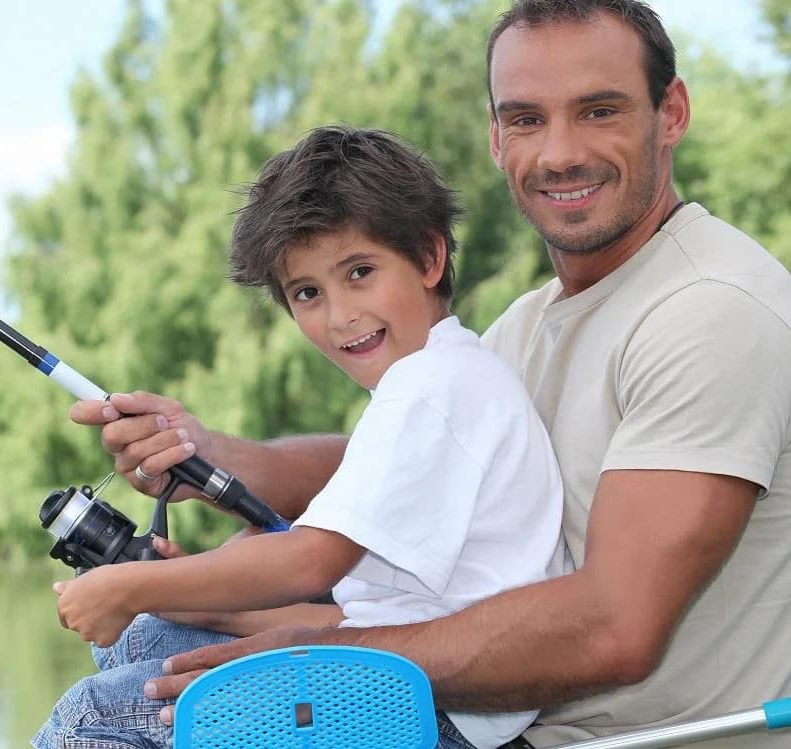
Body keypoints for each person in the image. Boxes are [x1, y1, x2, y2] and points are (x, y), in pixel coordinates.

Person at [64, 1, 791, 747]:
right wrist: (203, 454)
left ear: (671, 112)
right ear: (496, 136)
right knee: (139, 640)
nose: (560, 151)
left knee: (95, 718)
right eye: (527, 119)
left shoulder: (710, 311)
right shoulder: (527, 323)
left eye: (599, 110)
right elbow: (398, 468)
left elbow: (615, 627)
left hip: (556, 733)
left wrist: (312, 653)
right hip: (497, 717)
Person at [35, 125, 570, 749]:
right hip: (401, 677)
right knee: (147, 636)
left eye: (360, 272)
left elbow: (307, 561)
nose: (340, 315)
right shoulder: (439, 378)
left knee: (91, 717)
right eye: (308, 293)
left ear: (428, 259)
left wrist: (129, 583)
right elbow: (362, 618)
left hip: (440, 715)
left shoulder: (433, 389)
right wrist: (188, 596)